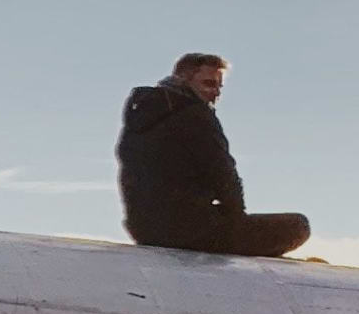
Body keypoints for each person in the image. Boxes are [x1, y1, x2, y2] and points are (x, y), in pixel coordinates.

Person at [117, 53, 311, 257]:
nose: (216, 93)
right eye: (209, 84)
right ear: (183, 80)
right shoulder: (195, 114)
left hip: (144, 229)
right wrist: (237, 221)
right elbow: (223, 173)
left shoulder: (139, 122)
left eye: (219, 87)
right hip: (188, 232)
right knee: (298, 225)